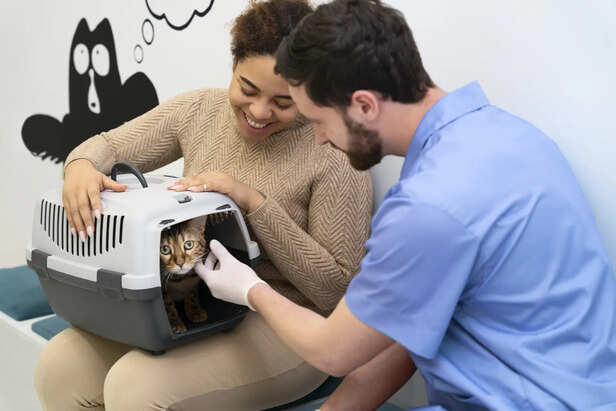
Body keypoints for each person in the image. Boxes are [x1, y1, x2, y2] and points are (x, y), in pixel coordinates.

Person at [195, 0, 616, 410]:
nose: (320, 139)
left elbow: (332, 352)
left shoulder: (428, 206)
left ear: (364, 105)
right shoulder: (513, 136)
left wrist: (249, 288)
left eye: (320, 122)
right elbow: (404, 330)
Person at [34, 1, 373, 410]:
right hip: (195, 301)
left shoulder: (335, 151)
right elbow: (109, 147)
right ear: (234, 66)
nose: (259, 112)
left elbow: (338, 292)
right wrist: (80, 166)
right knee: (60, 365)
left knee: (135, 387)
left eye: (283, 102)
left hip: (290, 326)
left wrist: (251, 201)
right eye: (247, 89)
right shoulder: (201, 110)